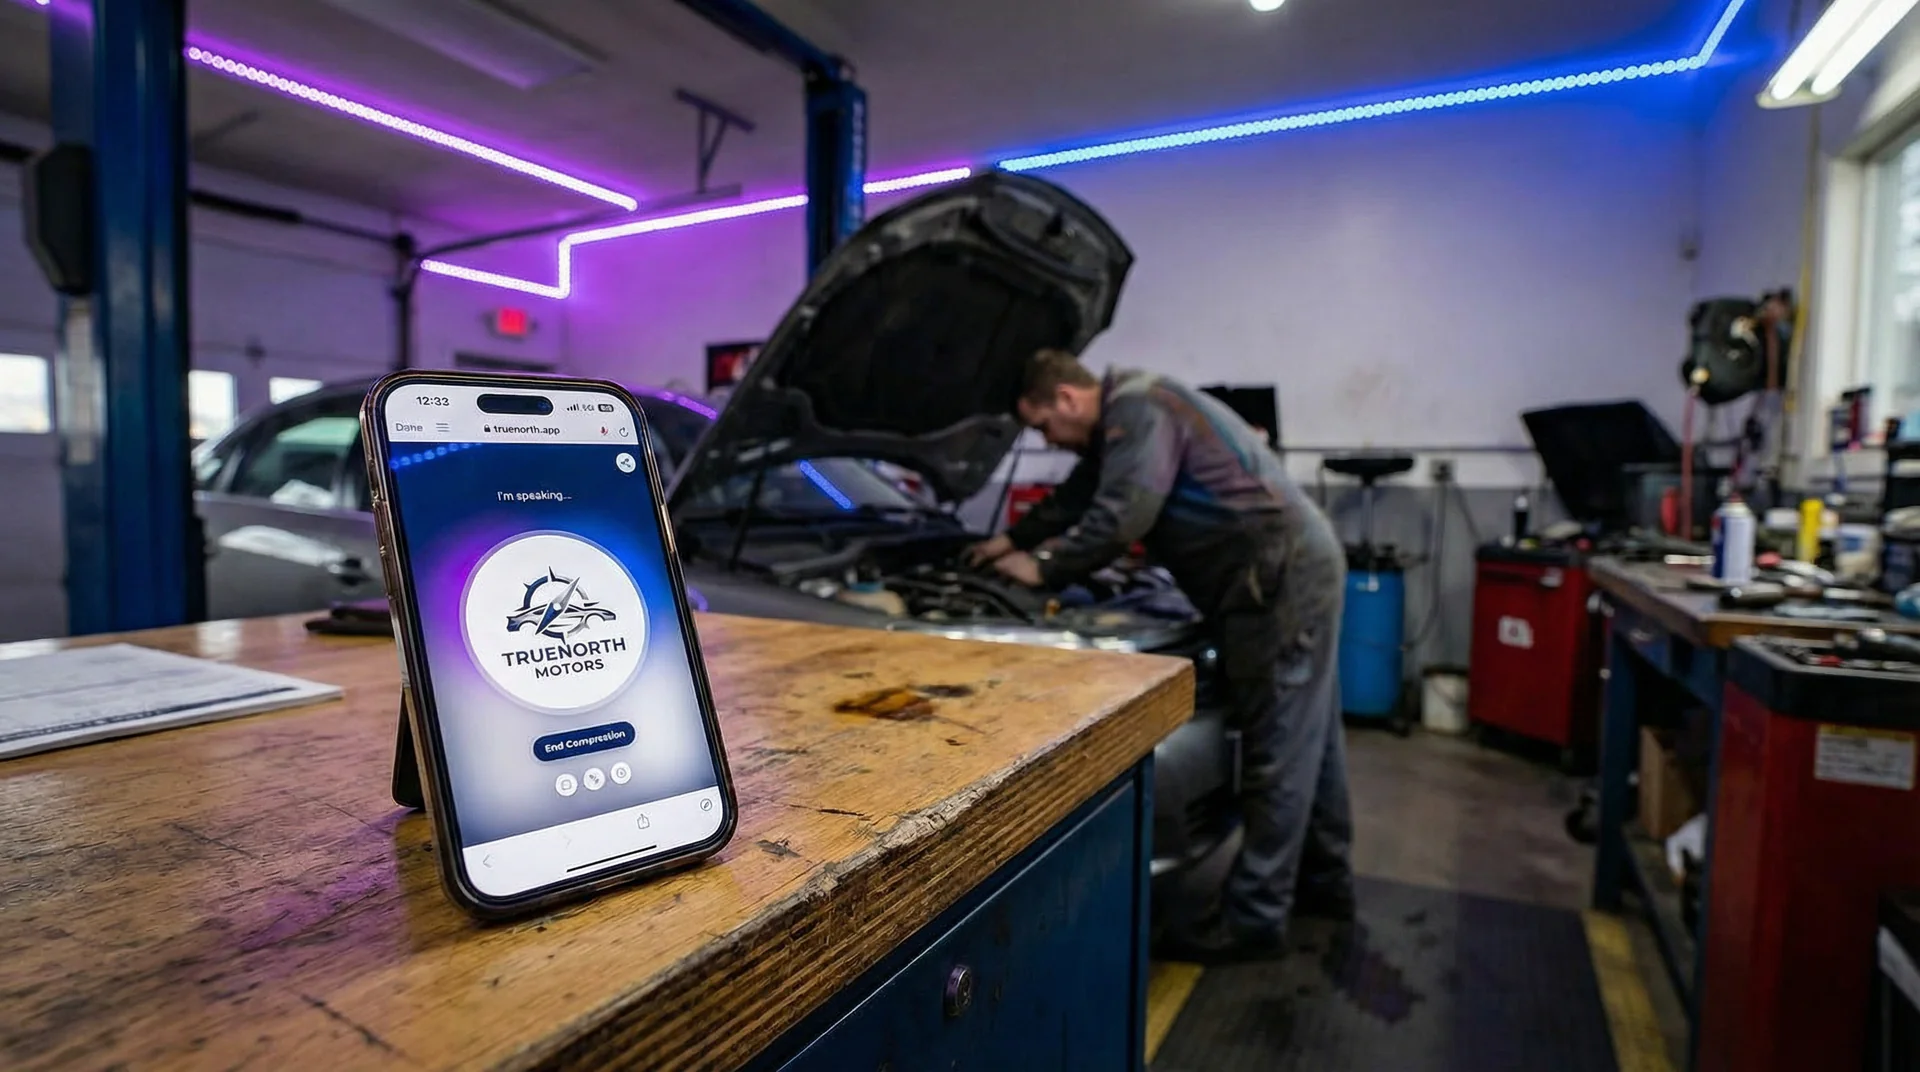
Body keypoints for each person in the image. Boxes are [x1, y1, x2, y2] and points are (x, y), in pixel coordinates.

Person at [967, 349, 1353, 961]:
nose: (1047, 440)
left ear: (1066, 398)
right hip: (1281, 573)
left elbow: (1124, 515)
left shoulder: (1139, 407)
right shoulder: (1124, 420)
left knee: (1277, 746)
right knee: (1309, 735)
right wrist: (1008, 540)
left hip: (1276, 580)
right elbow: (1079, 497)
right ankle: (1326, 880)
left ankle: (1254, 918)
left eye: (1042, 426)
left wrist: (1041, 568)